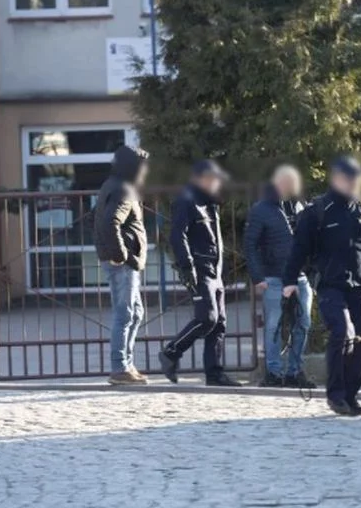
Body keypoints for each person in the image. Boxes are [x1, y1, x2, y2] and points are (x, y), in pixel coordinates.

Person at [282, 156, 361, 416]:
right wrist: (289, 281)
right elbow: (299, 249)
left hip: (359, 286)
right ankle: (336, 395)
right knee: (343, 332)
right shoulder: (317, 211)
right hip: (330, 285)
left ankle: (351, 396)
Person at [158, 160, 242, 387]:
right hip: (199, 268)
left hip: (215, 270)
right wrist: (187, 267)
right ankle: (171, 352)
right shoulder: (186, 200)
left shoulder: (209, 203)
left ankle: (214, 374)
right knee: (207, 318)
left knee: (220, 322)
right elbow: (178, 235)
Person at [243, 164, 316, 389]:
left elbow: (309, 240)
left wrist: (312, 271)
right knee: (274, 326)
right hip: (273, 276)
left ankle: (295, 372)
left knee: (303, 323)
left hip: (301, 276)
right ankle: (273, 373)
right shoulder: (261, 209)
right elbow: (250, 245)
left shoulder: (299, 207)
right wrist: (258, 277)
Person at [93, 145, 150, 386]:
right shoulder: (124, 189)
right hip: (123, 264)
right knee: (125, 313)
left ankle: (126, 364)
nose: (145, 173)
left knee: (135, 313)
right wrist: (121, 254)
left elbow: (98, 220)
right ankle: (119, 368)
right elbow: (109, 222)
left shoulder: (112, 185)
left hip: (124, 261)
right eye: (143, 168)